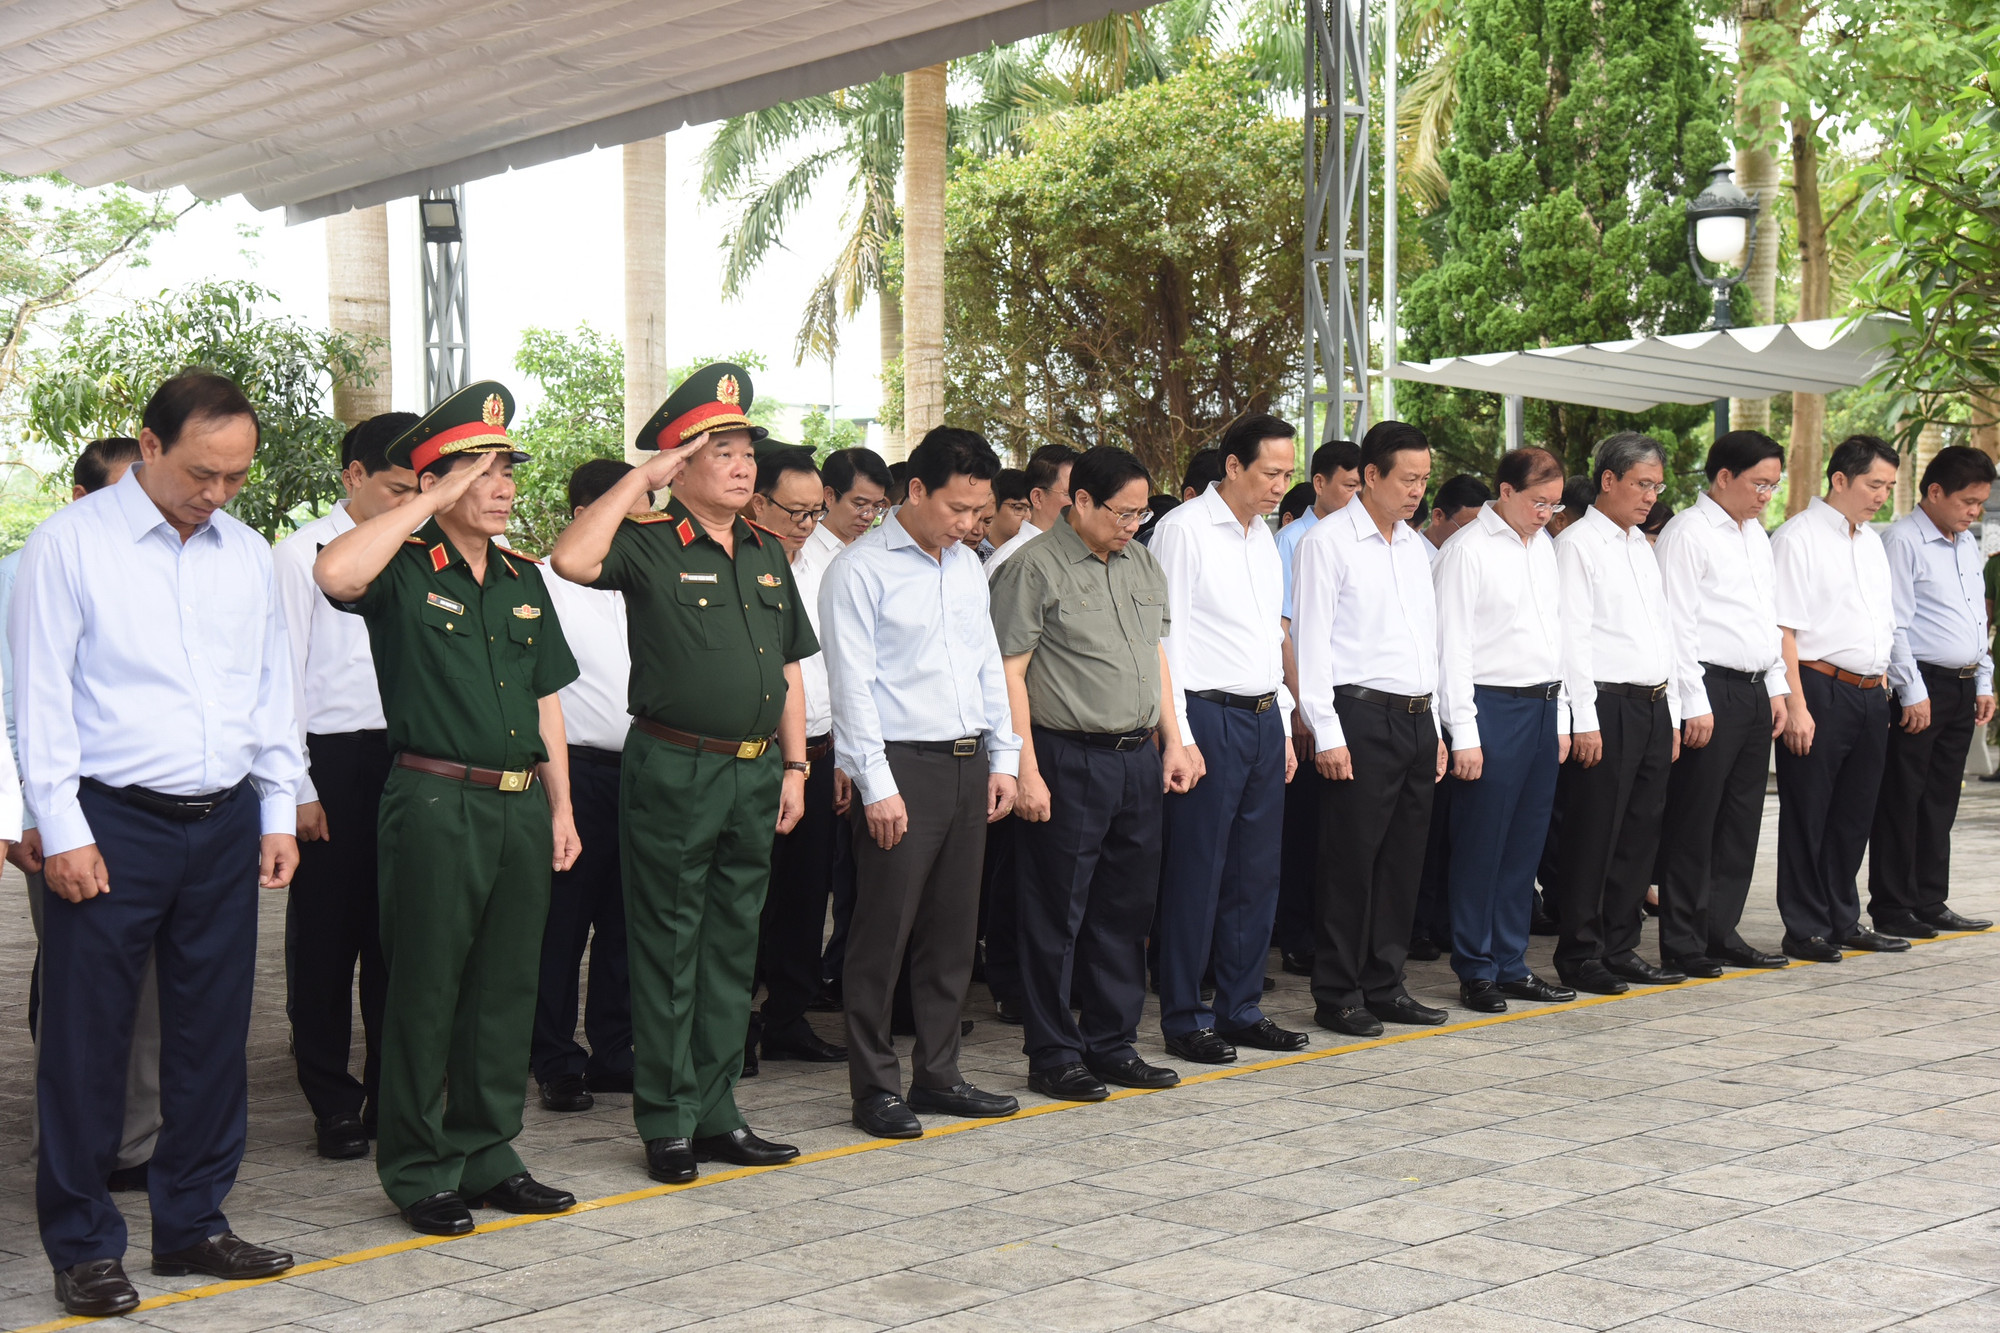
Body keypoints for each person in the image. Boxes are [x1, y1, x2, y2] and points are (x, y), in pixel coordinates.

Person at [17, 371, 301, 1316]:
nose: (216, 493)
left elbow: (271, 692)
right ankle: (85, 1241)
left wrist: (273, 811)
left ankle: (194, 1222)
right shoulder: (68, 546)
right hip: (112, 823)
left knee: (213, 1035)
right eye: (199, 472)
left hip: (222, 823)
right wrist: (62, 829)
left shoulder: (246, 554)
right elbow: (40, 703)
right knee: (88, 1041)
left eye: (235, 477)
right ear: (147, 444)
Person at [314, 382, 582, 1236]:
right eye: (484, 470)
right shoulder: (399, 564)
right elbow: (333, 571)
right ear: (438, 480)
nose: (504, 486)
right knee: (426, 988)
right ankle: (419, 1166)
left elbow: (547, 703)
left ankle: (489, 1152)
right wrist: (428, 496)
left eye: (507, 470)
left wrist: (563, 807)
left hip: (517, 803)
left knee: (505, 988)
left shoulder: (520, 578)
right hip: (433, 797)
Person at [550, 362, 814, 1185]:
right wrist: (642, 479)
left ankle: (718, 1110)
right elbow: (569, 559)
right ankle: (666, 1119)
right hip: (674, 764)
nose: (743, 467)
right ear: (680, 463)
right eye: (723, 451)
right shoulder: (648, 543)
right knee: (667, 945)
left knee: (735, 947)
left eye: (746, 453)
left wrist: (797, 764)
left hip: (754, 771)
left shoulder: (768, 551)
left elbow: (790, 666)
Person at [820, 426, 1022, 1139]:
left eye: (980, 511)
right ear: (915, 492)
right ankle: (874, 1085)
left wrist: (1005, 758)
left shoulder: (965, 566)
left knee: (952, 934)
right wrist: (875, 783)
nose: (970, 525)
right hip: (901, 764)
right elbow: (853, 687)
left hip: (969, 762)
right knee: (881, 934)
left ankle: (939, 1073)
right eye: (958, 509)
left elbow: (986, 665)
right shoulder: (860, 570)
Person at [991, 446, 1196, 1101]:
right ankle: (1053, 1052)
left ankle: (1113, 1042)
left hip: (1137, 756)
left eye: (1141, 512)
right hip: (1065, 755)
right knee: (1056, 911)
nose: (1133, 524)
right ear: (1079, 501)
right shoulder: (1033, 569)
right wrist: (1026, 770)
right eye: (1122, 512)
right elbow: (1009, 674)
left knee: (1125, 908)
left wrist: (1176, 740)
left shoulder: (1140, 560)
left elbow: (1155, 656)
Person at [1, 437, 156, 1193]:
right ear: (76, 496)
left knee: (156, 986)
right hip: (59, 811)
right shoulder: (28, 567)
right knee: (77, 983)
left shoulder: (163, 569)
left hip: (157, 812)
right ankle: (77, 1148)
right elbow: (19, 707)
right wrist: (28, 812)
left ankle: (138, 1140)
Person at [272, 413, 419, 1157]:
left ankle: (392, 1094)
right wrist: (295, 784)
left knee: (398, 935)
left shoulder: (422, 552)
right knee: (327, 941)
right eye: (396, 487)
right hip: (330, 762)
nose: (407, 501)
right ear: (353, 476)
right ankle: (332, 1098)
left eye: (418, 488)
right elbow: (283, 677)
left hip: (411, 760)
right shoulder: (300, 556)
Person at [1151, 415, 1305, 1064]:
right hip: (1206, 717)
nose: (1280, 485)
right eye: (1270, 472)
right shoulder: (1183, 531)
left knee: (1255, 872)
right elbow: (1165, 638)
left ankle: (1239, 1007)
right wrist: (1178, 736)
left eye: (1288, 473)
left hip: (1264, 717)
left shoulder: (1263, 539)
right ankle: (1184, 1016)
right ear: (1233, 466)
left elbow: (1269, 633)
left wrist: (1287, 717)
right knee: (1198, 870)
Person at [1293, 421, 1447, 1036]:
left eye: (1425, 480)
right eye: (1407, 479)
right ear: (1373, 475)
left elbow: (1425, 643)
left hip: (1415, 715)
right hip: (1358, 715)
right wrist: (1325, 731)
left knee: (1403, 861)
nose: (1417, 492)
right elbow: (1312, 643)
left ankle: (1386, 982)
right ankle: (1337, 992)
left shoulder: (1416, 548)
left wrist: (1436, 725)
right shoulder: (1326, 544)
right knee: (1350, 862)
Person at [1433, 446, 1575, 1014]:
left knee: (1524, 844)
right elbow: (1453, 648)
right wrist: (1463, 732)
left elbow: (1557, 636)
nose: (1546, 513)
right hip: (1489, 707)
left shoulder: (1543, 547)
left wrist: (1562, 716)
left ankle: (1512, 962)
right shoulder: (1468, 551)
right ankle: (1476, 966)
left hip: (1540, 705)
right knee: (1481, 845)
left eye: (1555, 503)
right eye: (1538, 501)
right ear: (1506, 491)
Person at [1654, 430, 1792, 977]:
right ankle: (1683, 941)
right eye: (1759, 483)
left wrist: (1777, 685)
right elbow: (1677, 625)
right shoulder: (1689, 534)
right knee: (1696, 818)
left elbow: (1768, 617)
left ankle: (1720, 930)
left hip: (1756, 687)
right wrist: (1693, 701)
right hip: (1709, 687)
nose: (1766, 495)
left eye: (1774, 486)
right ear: (1724, 477)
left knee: (1740, 820)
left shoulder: (1756, 535)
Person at [1551, 433, 1684, 995]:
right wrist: (1583, 717)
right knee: (1594, 833)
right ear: (1608, 480)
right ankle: (1581, 953)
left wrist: (1674, 710)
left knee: (1639, 831)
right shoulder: (1578, 544)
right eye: (1641, 484)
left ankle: (1621, 944)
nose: (1650, 496)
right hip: (1604, 703)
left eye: (1656, 486)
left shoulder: (1640, 547)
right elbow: (1571, 638)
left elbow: (1663, 632)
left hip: (1652, 702)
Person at [532, 460, 644, 1114]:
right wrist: (558, 800)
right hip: (571, 771)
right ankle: (553, 1056)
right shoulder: (545, 583)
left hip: (644, 771)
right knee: (560, 924)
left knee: (628, 922)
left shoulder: (642, 581)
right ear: (582, 515)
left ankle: (615, 1048)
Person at [1771, 435, 1907, 961]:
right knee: (1809, 812)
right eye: (1875, 484)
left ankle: (1842, 918)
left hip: (1871, 693)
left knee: (1855, 814)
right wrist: (1797, 704)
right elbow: (1784, 630)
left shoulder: (1870, 540)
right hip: (1819, 687)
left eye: (1890, 487)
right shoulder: (1798, 537)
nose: (1882, 496)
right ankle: (1804, 927)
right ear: (1841, 480)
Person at [743, 447, 848, 1069]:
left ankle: (787, 1017)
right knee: (746, 902)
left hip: (817, 752)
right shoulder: (736, 562)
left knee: (806, 899)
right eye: (796, 513)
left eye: (816, 513)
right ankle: (734, 1029)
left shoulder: (825, 567)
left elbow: (836, 668)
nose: (807, 526)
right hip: (752, 757)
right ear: (759, 504)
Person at [1870, 446, 1998, 937]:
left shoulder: (1967, 544)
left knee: (1941, 799)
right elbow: (1896, 623)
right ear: (1935, 492)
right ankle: (1892, 906)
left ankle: (1930, 899)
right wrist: (1912, 690)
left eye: (1981, 503)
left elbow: (1974, 617)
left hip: (1962, 684)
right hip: (1919, 685)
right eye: (1967, 501)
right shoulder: (1903, 541)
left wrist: (1983, 678)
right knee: (1902, 797)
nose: (1973, 511)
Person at [1274, 438, 1363, 973]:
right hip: (1307, 703)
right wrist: (1303, 707)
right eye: (1348, 485)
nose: (1355, 494)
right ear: (1321, 482)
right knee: (1304, 828)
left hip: (1336, 703)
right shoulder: (1293, 541)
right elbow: (1288, 634)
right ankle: (1298, 934)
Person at [809, 446, 891, 1008]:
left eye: (877, 506)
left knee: (845, 880)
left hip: (858, 746)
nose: (867, 515)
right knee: (811, 884)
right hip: (812, 744)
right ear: (828, 497)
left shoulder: (874, 558)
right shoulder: (801, 559)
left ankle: (813, 992)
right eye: (859, 503)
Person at [988, 443, 1078, 574]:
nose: (1080, 505)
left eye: (1084, 497)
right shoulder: (1010, 561)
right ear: (1037, 498)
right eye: (1070, 495)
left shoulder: (1075, 552)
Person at [1423, 475, 1494, 561]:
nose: (1473, 537)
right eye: (1466, 528)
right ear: (1438, 516)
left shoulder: (1471, 560)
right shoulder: (1408, 554)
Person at [985, 469, 1033, 553]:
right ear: (994, 506)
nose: (1028, 517)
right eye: (1019, 508)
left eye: (1031, 509)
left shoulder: (1033, 554)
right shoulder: (972, 554)